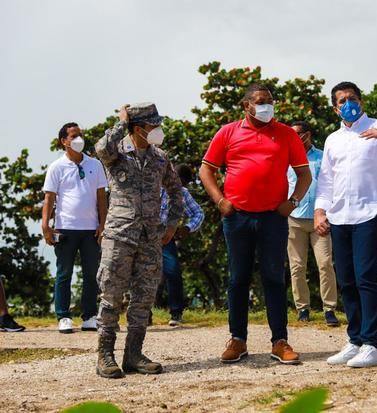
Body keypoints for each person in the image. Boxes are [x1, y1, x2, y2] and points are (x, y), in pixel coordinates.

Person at [199, 83, 311, 365]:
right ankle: (238, 339)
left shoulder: (286, 134)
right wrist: (220, 201)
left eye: (270, 101)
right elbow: (206, 170)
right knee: (238, 279)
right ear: (246, 105)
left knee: (274, 278)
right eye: (261, 101)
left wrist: (293, 202)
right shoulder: (228, 132)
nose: (267, 106)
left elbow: (304, 174)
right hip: (237, 217)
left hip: (274, 217)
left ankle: (280, 341)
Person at [315, 81, 377, 368]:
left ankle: (372, 344)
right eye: (342, 100)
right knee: (345, 280)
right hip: (339, 215)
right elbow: (326, 181)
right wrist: (321, 212)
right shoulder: (333, 139)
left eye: (352, 98)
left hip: (371, 212)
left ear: (361, 101)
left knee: (365, 277)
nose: (348, 103)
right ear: (335, 108)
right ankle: (355, 339)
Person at [94, 103, 183, 379]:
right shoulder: (116, 153)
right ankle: (105, 356)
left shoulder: (160, 158)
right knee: (111, 296)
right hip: (120, 235)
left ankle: (133, 354)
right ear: (139, 128)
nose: (157, 130)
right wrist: (121, 122)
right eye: (153, 125)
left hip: (149, 238)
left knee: (144, 298)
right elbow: (100, 149)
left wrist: (171, 224)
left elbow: (175, 190)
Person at [42, 122, 108, 334]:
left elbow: (101, 197)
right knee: (64, 273)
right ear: (64, 141)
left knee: (91, 273)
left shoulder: (95, 165)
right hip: (65, 227)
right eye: (73, 135)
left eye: (80, 134)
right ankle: (63, 316)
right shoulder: (56, 167)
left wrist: (103, 223)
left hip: (91, 229)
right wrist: (46, 225)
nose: (79, 139)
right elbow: (49, 198)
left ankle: (89, 316)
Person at [286, 121, 339, 326]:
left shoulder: (323, 156)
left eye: (297, 134)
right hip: (294, 219)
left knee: (325, 264)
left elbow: (331, 185)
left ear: (307, 135)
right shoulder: (287, 158)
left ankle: (329, 309)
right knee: (297, 266)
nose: (294, 137)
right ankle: (302, 308)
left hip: (320, 219)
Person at [160, 164, 205, 326]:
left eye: (184, 184)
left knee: (173, 273)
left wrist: (187, 228)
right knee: (140, 275)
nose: (182, 186)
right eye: (181, 182)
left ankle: (176, 312)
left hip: (166, 238)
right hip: (145, 237)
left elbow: (198, 213)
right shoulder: (153, 186)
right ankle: (143, 315)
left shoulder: (182, 193)